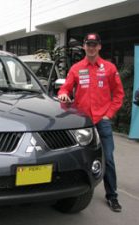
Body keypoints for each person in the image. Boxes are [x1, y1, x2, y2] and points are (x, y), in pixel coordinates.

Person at [58, 33, 124, 212]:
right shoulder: (76, 68)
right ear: (84, 47)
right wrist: (63, 94)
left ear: (99, 46)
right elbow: (65, 87)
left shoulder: (109, 68)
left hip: (102, 122)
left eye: (94, 44)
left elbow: (119, 95)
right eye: (88, 44)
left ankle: (112, 196)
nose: (92, 47)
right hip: (82, 123)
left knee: (108, 159)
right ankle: (72, 192)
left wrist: (108, 114)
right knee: (78, 159)